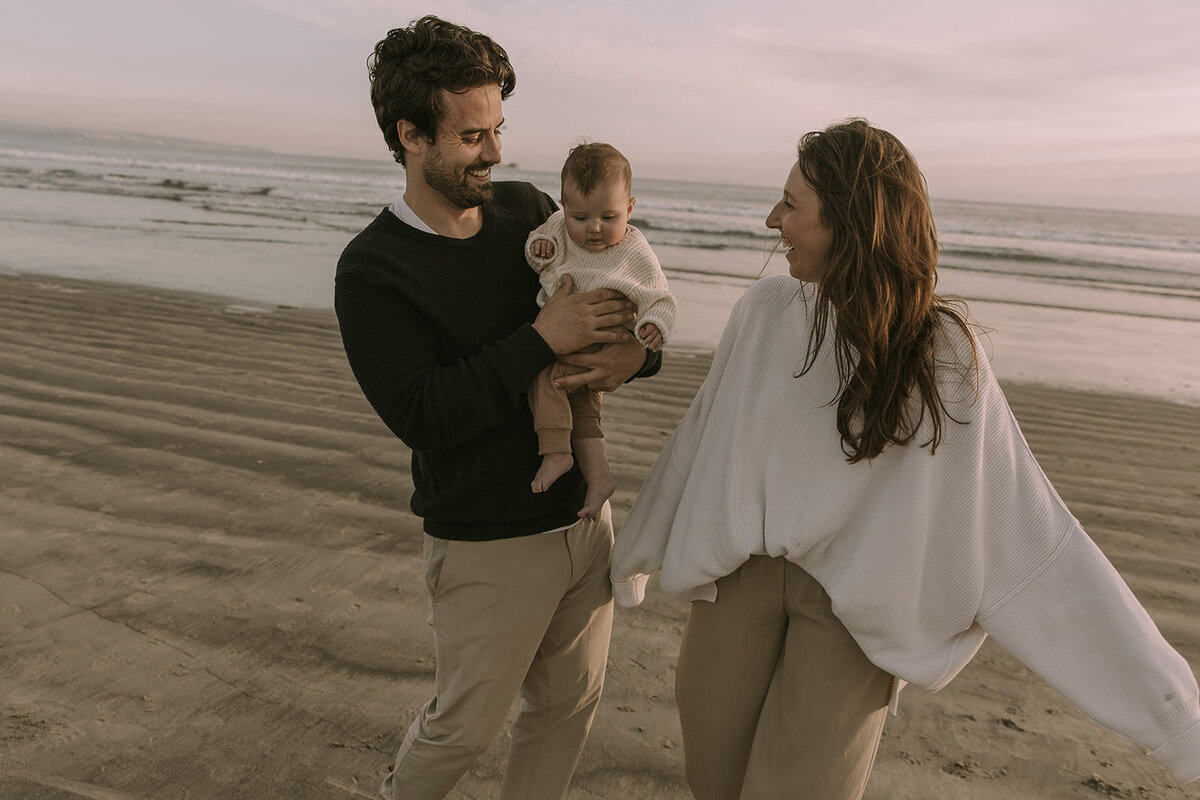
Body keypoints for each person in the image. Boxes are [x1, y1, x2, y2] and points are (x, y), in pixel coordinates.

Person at [610, 118, 1200, 799]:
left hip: (854, 614)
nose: (771, 220)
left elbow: (1034, 536)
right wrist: (637, 556)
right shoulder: (766, 310)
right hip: (736, 582)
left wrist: (1176, 721)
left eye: (791, 205)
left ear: (849, 224)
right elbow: (701, 442)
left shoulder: (942, 353)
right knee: (711, 781)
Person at [333, 16, 660, 800]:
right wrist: (540, 337)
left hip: (585, 521)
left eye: (499, 128)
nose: (495, 151)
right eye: (473, 135)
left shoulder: (528, 211)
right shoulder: (373, 269)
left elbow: (617, 289)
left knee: (567, 708)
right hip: (487, 543)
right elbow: (425, 414)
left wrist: (638, 355)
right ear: (411, 135)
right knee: (464, 728)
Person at [525, 142, 676, 520]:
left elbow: (658, 297)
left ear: (630, 208)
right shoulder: (558, 228)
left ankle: (556, 450)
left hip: (601, 341)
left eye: (608, 217)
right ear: (562, 208)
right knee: (586, 415)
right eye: (580, 217)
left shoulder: (634, 250)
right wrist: (539, 247)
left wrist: (653, 329)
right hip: (564, 337)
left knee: (545, 380)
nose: (594, 228)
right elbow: (536, 252)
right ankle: (599, 479)